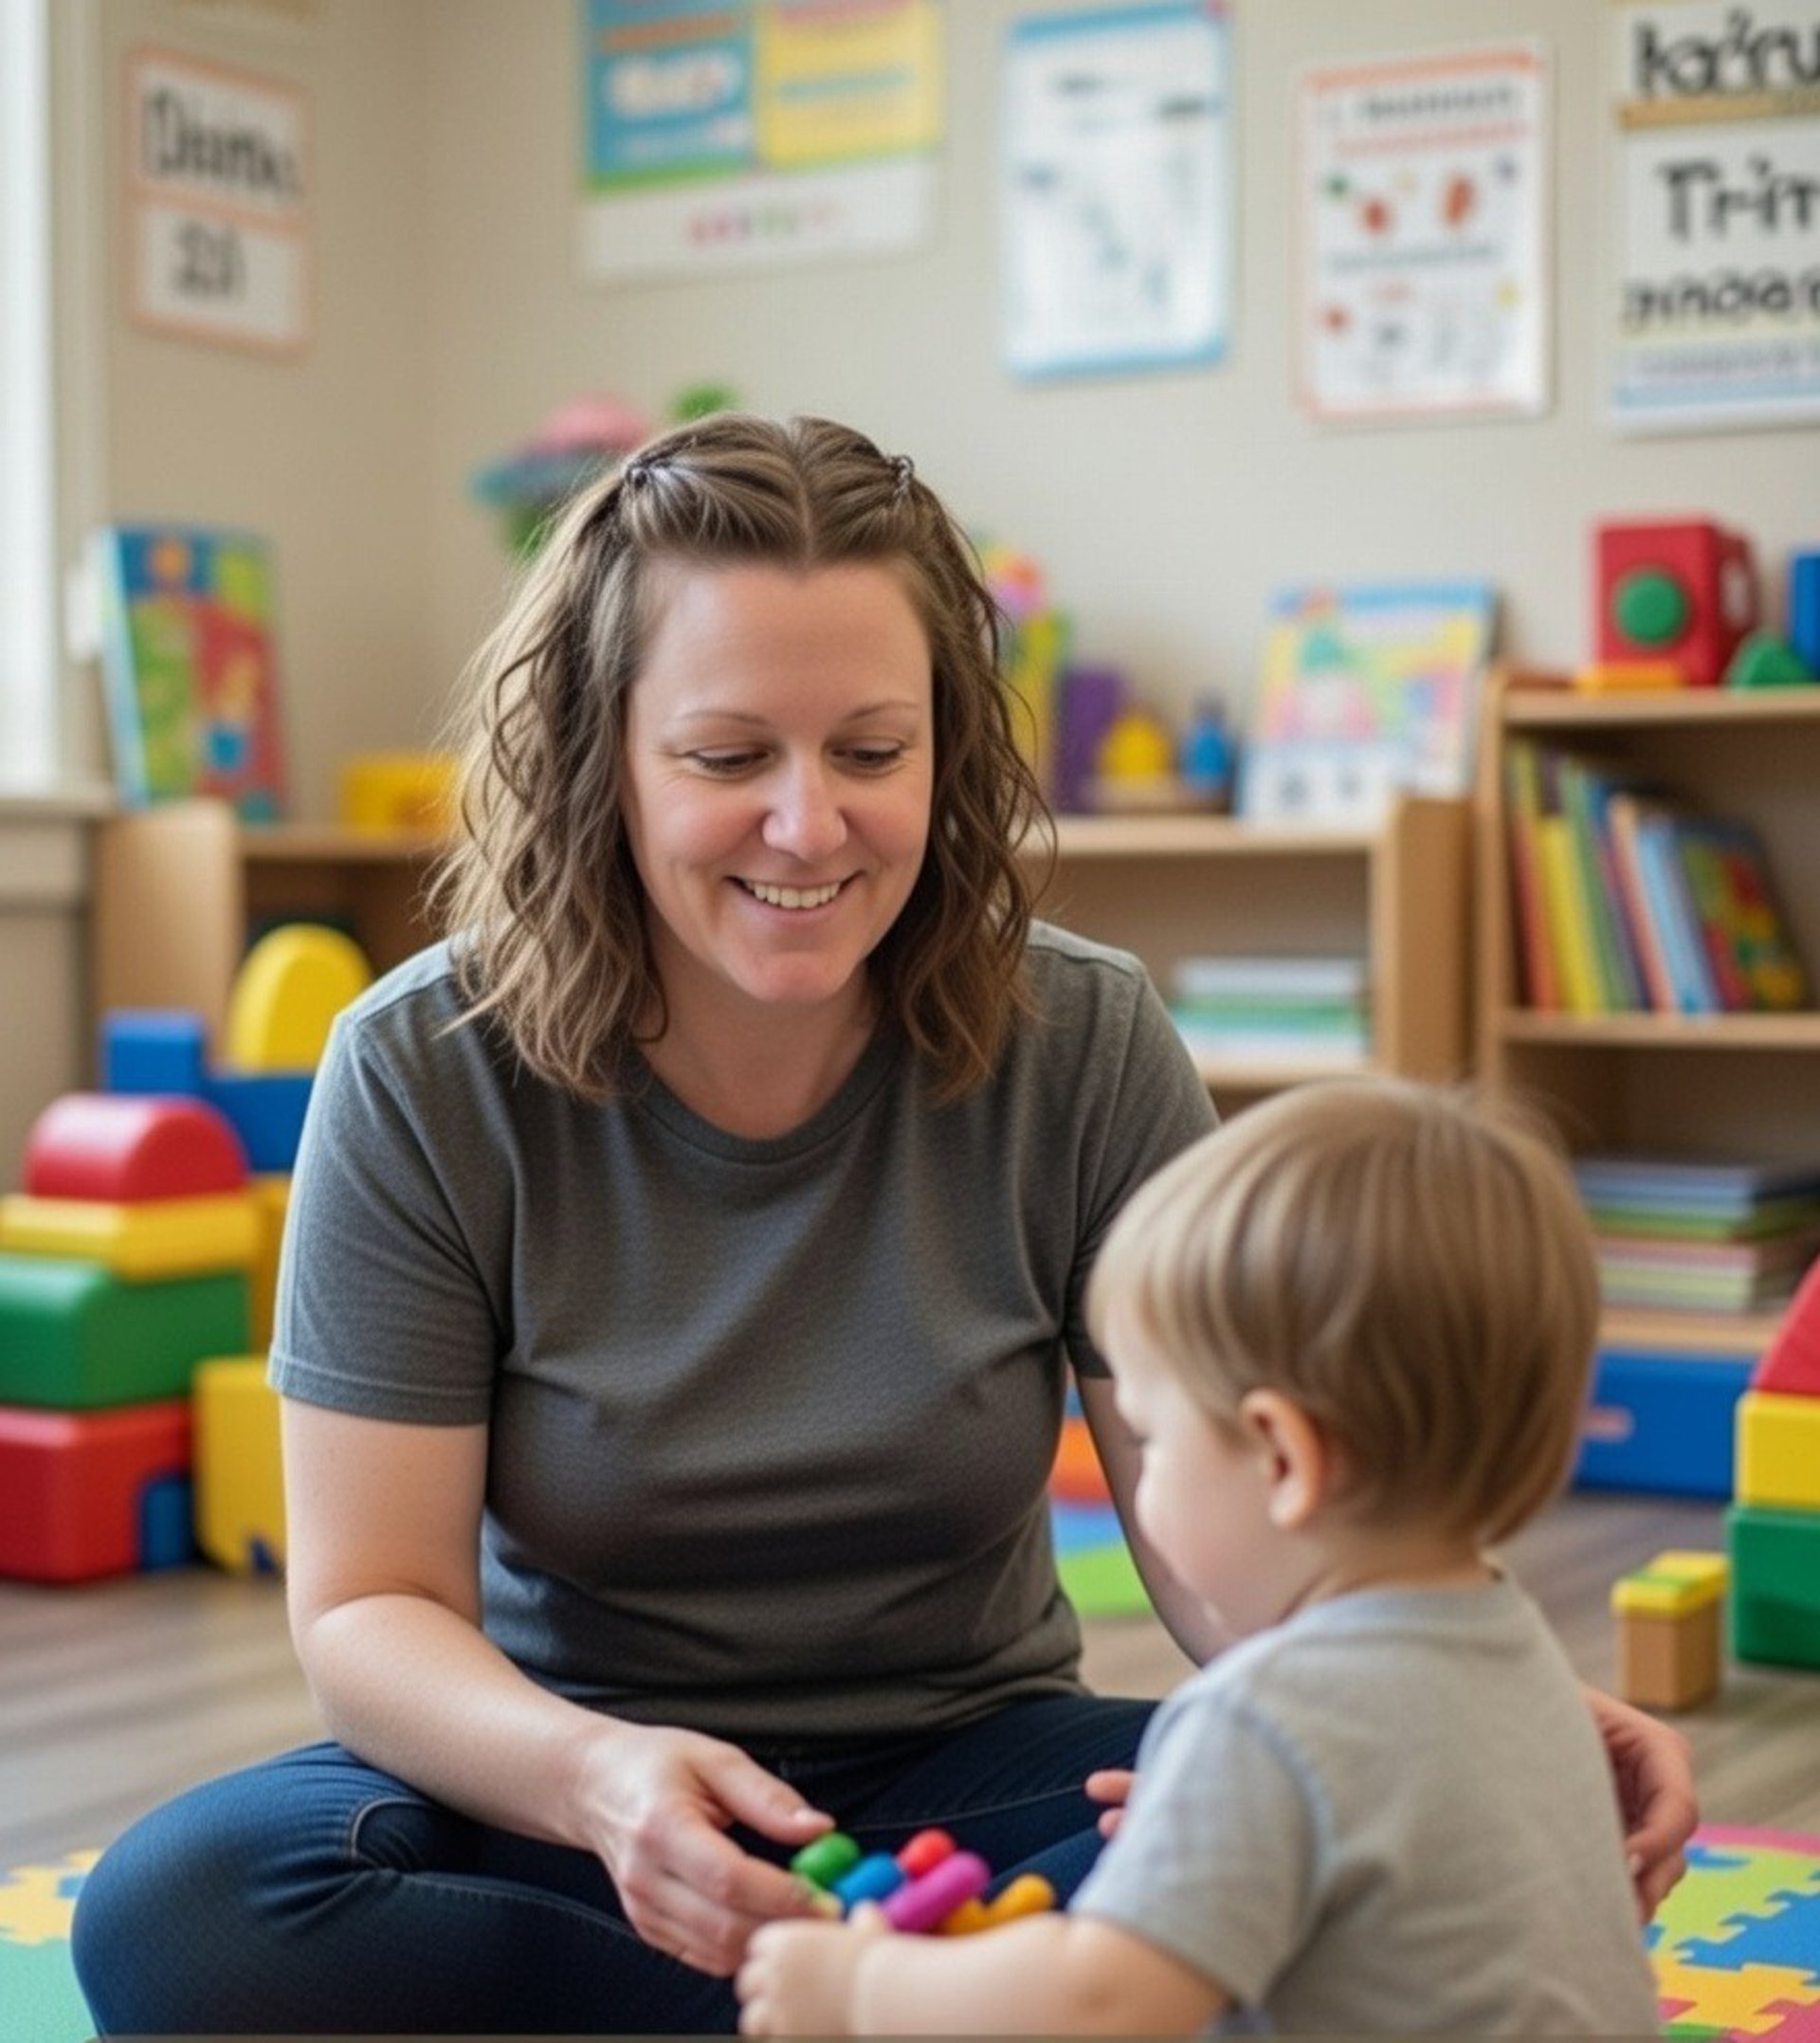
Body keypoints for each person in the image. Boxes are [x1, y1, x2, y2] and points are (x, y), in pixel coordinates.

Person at [73, 416, 1691, 2037]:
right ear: (600, 757)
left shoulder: (1086, 1037)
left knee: (1305, 1837)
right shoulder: (424, 1066)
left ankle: (907, 1999)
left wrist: (1471, 1713)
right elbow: (369, 1607)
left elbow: (1265, 1504)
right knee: (186, 1917)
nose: (809, 824)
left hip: (976, 1779)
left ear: (946, 750)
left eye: (870, 751)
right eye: (728, 758)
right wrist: (600, 1779)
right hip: (579, 1793)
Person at [737, 1078, 1669, 2036]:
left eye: (1151, 1437)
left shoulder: (1263, 1718)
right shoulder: (1520, 1653)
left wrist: (860, 1990)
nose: (1140, 1479)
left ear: (1282, 1459)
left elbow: (1099, 2004)